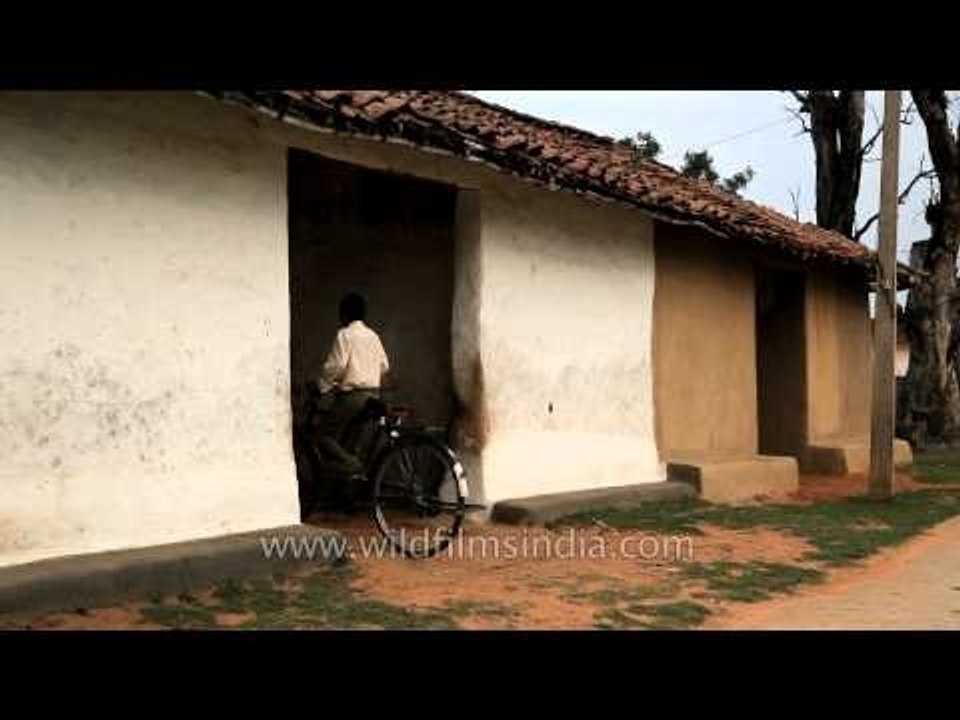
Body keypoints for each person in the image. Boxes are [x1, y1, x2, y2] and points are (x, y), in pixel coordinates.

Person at [310, 292, 390, 511]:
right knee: (352, 444)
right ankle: (347, 497)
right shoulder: (373, 336)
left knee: (323, 436)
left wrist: (321, 385)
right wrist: (366, 373)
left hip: (353, 397)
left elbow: (335, 366)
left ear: (345, 313)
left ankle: (355, 467)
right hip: (374, 395)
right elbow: (384, 366)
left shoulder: (344, 335)